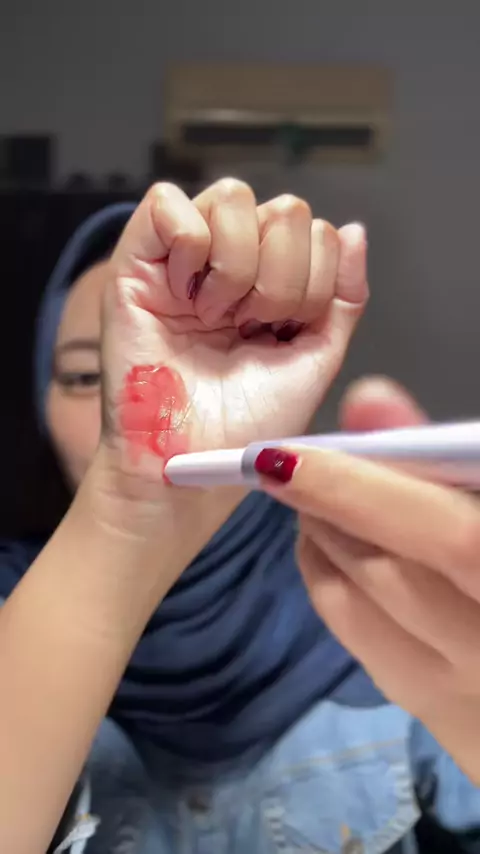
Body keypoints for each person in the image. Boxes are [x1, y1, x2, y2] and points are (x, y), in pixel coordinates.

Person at [1, 179, 479, 854]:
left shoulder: (375, 595)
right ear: (38, 405)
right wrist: (130, 512)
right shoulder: (13, 601)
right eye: (84, 376)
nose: (116, 403)